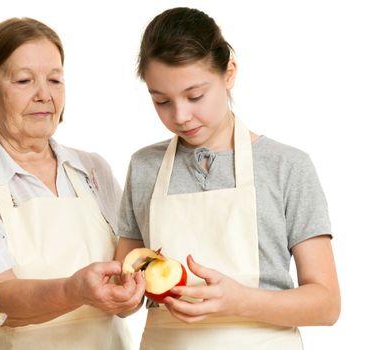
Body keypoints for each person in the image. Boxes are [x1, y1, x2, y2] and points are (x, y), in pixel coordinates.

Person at [115, 7, 340, 349]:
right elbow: (125, 289)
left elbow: (326, 305)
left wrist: (238, 300)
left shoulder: (287, 166)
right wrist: (120, 295)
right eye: (161, 101)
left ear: (229, 73)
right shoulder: (144, 166)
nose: (180, 115)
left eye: (195, 96)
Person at [0, 17, 144, 349]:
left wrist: (131, 294)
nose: (44, 95)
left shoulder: (93, 170)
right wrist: (74, 291)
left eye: (55, 80)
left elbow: (126, 276)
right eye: (24, 80)